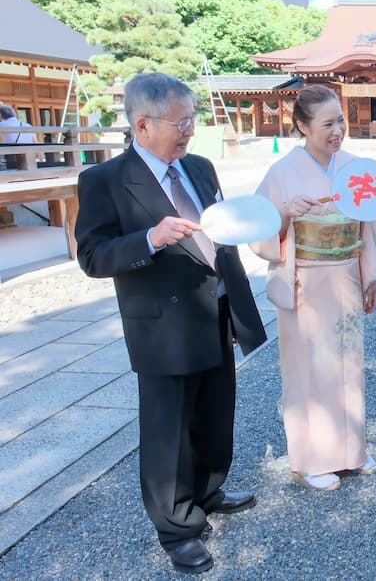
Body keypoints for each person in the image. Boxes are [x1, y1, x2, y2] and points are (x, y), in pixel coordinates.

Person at [75, 72, 267, 575]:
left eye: (193, 120)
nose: (190, 130)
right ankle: (177, 526)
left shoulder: (199, 167)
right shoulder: (105, 181)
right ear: (142, 125)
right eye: (181, 122)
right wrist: (150, 239)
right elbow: (92, 256)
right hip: (163, 321)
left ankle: (208, 490)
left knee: (215, 408)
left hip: (216, 306)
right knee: (169, 429)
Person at [250, 85, 376, 491]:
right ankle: (311, 458)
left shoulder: (354, 165)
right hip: (305, 280)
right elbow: (258, 228)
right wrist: (283, 213)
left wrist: (370, 277)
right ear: (302, 126)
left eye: (341, 122)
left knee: (349, 365)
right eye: (327, 124)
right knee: (308, 370)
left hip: (346, 271)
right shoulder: (282, 172)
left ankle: (352, 451)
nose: (337, 131)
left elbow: (367, 223)